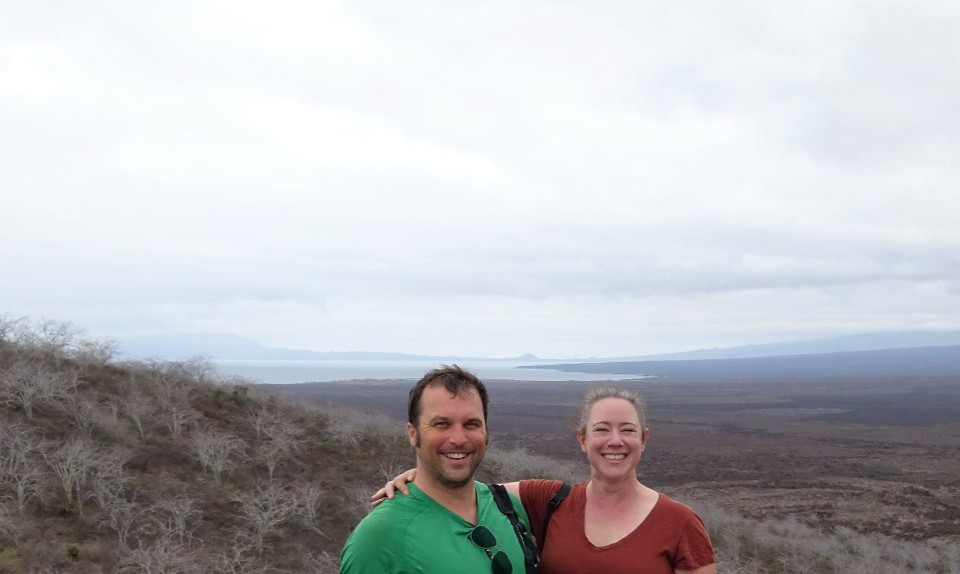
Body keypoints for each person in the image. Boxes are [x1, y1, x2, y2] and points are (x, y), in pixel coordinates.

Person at [376, 386, 717, 574]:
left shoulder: (679, 523)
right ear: (583, 440)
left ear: (643, 439)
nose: (615, 441)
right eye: (602, 430)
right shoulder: (550, 501)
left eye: (627, 430)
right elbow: (471, 492)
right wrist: (420, 475)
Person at [340, 364, 534, 574]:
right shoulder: (379, 538)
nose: (458, 439)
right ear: (413, 433)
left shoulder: (508, 507)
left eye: (471, 424)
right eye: (442, 424)